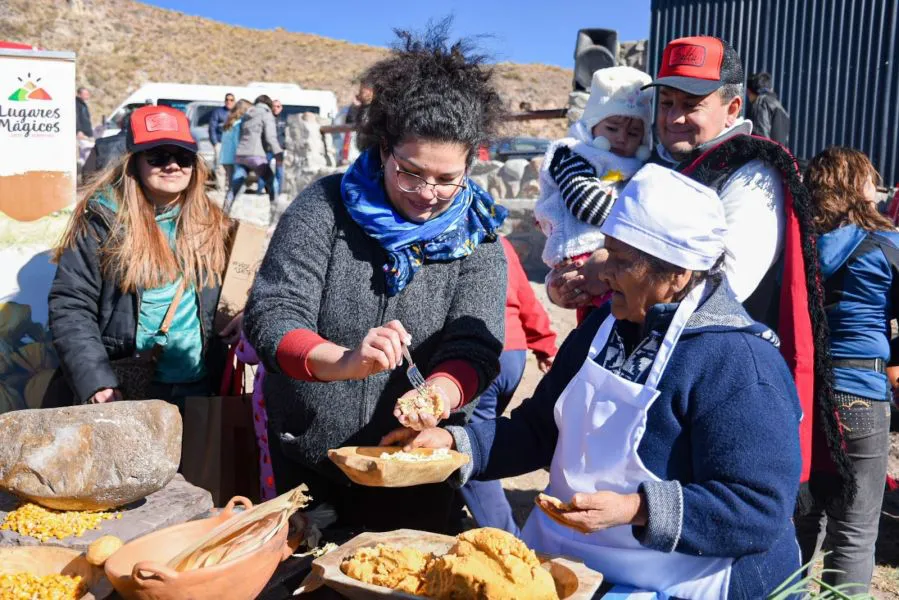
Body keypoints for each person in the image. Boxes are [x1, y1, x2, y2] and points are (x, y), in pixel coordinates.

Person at [387, 164, 803, 599]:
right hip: (572, 563)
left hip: (679, 580)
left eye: (623, 261)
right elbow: (537, 431)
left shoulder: (740, 365)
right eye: (607, 252)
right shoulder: (603, 327)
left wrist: (636, 509)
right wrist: (455, 445)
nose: (603, 272)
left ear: (678, 275)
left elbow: (759, 509)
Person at [547, 35, 837, 513]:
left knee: (712, 514)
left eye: (692, 104)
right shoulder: (656, 165)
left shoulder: (750, 172)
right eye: (667, 102)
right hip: (650, 378)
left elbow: (724, 281)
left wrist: (603, 270)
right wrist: (574, 278)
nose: (674, 116)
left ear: (732, 106)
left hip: (718, 382)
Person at [243, 24, 507, 534]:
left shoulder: (479, 235)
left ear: (471, 162)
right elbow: (273, 316)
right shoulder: (323, 208)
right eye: (410, 171)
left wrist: (439, 394)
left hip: (416, 469)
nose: (427, 193)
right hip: (312, 461)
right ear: (384, 148)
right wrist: (344, 363)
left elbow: (476, 346)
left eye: (447, 179)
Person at [47, 105, 234, 411]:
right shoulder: (104, 221)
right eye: (159, 156)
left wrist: (240, 314)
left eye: (183, 156)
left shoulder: (215, 223)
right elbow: (70, 306)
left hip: (200, 389)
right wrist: (97, 381)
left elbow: (234, 292)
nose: (173, 165)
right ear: (134, 163)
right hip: (128, 390)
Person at [794, 147, 898, 594]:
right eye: (871, 180)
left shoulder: (796, 245)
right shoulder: (885, 245)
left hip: (801, 390)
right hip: (860, 392)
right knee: (854, 531)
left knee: (802, 516)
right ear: (857, 187)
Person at [535, 66, 652, 321]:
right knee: (596, 325)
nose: (622, 138)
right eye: (612, 128)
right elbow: (585, 203)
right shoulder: (571, 154)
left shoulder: (640, 167)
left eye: (633, 133)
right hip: (579, 258)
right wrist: (643, 221)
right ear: (592, 125)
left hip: (614, 258)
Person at [460, 236, 558, 534]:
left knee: (469, 451)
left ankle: (507, 538)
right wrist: (545, 344)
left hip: (478, 358)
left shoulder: (447, 240)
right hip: (513, 356)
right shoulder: (499, 241)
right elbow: (526, 297)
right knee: (484, 431)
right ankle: (452, 505)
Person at [234, 94, 283, 221]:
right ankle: (275, 216)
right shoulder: (266, 114)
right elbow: (270, 137)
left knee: (234, 188)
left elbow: (240, 135)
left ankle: (224, 213)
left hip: (241, 155)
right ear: (268, 104)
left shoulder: (246, 115)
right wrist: (278, 153)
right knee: (272, 182)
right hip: (256, 155)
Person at [220, 98, 252, 215]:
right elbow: (238, 142)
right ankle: (226, 211)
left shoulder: (228, 122)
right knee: (236, 187)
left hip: (225, 158)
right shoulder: (239, 124)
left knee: (231, 187)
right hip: (235, 159)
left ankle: (226, 210)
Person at [746, 72, 790, 147]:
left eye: (748, 92)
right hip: (780, 156)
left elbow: (760, 135)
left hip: (764, 155)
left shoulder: (761, 102)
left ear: (750, 91)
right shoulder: (780, 107)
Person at [209, 93, 236, 188]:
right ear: (225, 101)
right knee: (220, 166)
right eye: (227, 99)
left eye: (231, 100)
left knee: (231, 165)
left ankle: (231, 186)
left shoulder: (236, 113)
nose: (229, 101)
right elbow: (212, 128)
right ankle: (221, 187)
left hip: (233, 144)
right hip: (220, 143)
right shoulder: (218, 112)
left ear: (234, 101)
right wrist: (215, 143)